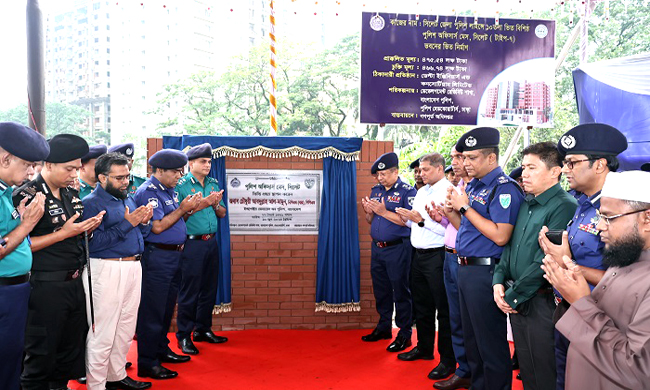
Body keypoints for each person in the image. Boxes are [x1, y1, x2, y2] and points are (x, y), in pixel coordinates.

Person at [538, 123, 627, 390]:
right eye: (565, 162)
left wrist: (567, 262)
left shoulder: (620, 211)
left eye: (572, 162)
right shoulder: (583, 204)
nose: (565, 169)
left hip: (601, 318)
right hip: (569, 310)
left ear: (599, 165)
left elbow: (625, 281)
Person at [542, 170, 650, 390]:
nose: (599, 226)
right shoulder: (626, 258)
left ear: (646, 218)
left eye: (608, 217)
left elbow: (638, 369)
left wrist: (581, 301)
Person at [13, 134, 105, 390]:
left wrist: (86, 229)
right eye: (69, 168)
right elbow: (18, 244)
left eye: (77, 168)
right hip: (45, 287)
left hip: (75, 284)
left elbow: (72, 235)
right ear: (49, 165)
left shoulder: (71, 195)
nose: (75, 173)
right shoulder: (28, 195)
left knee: (69, 351)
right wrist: (64, 233)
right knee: (41, 354)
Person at [492, 142, 578, 390]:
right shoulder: (527, 203)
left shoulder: (564, 205)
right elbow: (509, 247)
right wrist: (498, 280)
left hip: (541, 302)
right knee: (528, 370)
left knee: (545, 372)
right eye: (524, 167)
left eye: (532, 167)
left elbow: (546, 260)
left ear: (555, 171)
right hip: (518, 298)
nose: (524, 173)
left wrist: (512, 296)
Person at [445, 127, 524, 390]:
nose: (465, 163)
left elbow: (501, 236)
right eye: (464, 158)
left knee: (490, 343)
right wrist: (453, 211)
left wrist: (464, 207)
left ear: (492, 158)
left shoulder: (504, 189)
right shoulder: (475, 186)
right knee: (473, 341)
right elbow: (467, 229)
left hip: (486, 272)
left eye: (472, 158)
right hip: (466, 269)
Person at [81, 153, 154, 390]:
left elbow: (138, 236)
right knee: (103, 331)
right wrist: (129, 223)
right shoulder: (91, 203)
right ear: (102, 177)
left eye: (127, 176)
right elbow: (93, 244)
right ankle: (97, 385)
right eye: (119, 177)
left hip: (133, 266)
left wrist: (143, 223)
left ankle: (116, 375)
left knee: (125, 328)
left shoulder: (127, 199)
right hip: (106, 268)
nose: (126, 182)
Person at [133, 149, 201, 380]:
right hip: (158, 257)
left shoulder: (168, 191)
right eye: (175, 172)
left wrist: (187, 211)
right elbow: (158, 227)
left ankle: (160, 350)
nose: (179, 176)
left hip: (173, 256)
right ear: (159, 171)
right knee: (153, 311)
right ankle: (147, 362)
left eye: (181, 172)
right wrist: (182, 209)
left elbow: (174, 221)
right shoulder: (148, 192)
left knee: (166, 309)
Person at [395, 153, 456, 380]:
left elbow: (449, 230)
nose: (421, 174)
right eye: (420, 170)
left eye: (426, 170)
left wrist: (420, 220)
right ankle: (424, 348)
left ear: (440, 169)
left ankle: (448, 360)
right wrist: (407, 218)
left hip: (438, 255)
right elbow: (416, 222)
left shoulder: (449, 192)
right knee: (421, 306)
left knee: (444, 310)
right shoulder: (421, 192)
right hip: (418, 255)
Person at [0, 122, 49, 390]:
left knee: (12, 358)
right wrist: (27, 224)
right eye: (27, 165)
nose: (32, 172)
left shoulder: (7, 193)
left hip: (15, 290)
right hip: (4, 292)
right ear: (6, 158)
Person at [175, 143, 228, 355]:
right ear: (191, 163)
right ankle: (184, 336)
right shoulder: (181, 185)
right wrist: (204, 203)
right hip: (192, 243)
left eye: (209, 162)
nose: (207, 165)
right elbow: (181, 215)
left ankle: (202, 329)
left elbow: (222, 213)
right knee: (190, 291)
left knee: (209, 289)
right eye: (203, 162)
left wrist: (214, 204)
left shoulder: (213, 183)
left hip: (211, 242)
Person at [360, 152, 416, 352]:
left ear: (395, 172)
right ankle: (384, 326)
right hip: (378, 249)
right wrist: (369, 213)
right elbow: (370, 220)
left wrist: (384, 212)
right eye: (378, 175)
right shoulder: (376, 191)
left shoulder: (407, 192)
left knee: (400, 290)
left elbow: (409, 222)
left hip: (397, 248)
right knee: (381, 290)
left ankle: (404, 333)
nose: (380, 178)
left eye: (383, 174)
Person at [428, 146, 472, 390]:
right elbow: (458, 225)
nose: (455, 162)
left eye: (460, 157)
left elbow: (473, 226)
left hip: (466, 261)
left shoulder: (476, 190)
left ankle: (473, 370)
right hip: (450, 257)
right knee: (455, 319)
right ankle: (463, 369)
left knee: (468, 321)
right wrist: (441, 217)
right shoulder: (459, 189)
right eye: (454, 157)